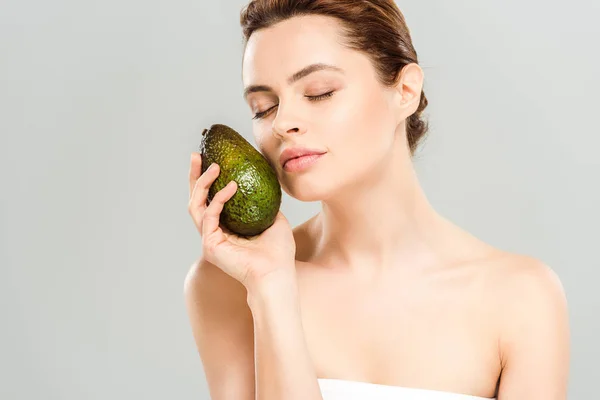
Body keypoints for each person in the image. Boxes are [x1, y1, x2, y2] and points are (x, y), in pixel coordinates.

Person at [184, 1, 570, 399]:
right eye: (263, 108)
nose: (282, 123)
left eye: (319, 92)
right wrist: (270, 288)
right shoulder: (227, 285)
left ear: (405, 91)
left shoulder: (522, 298)